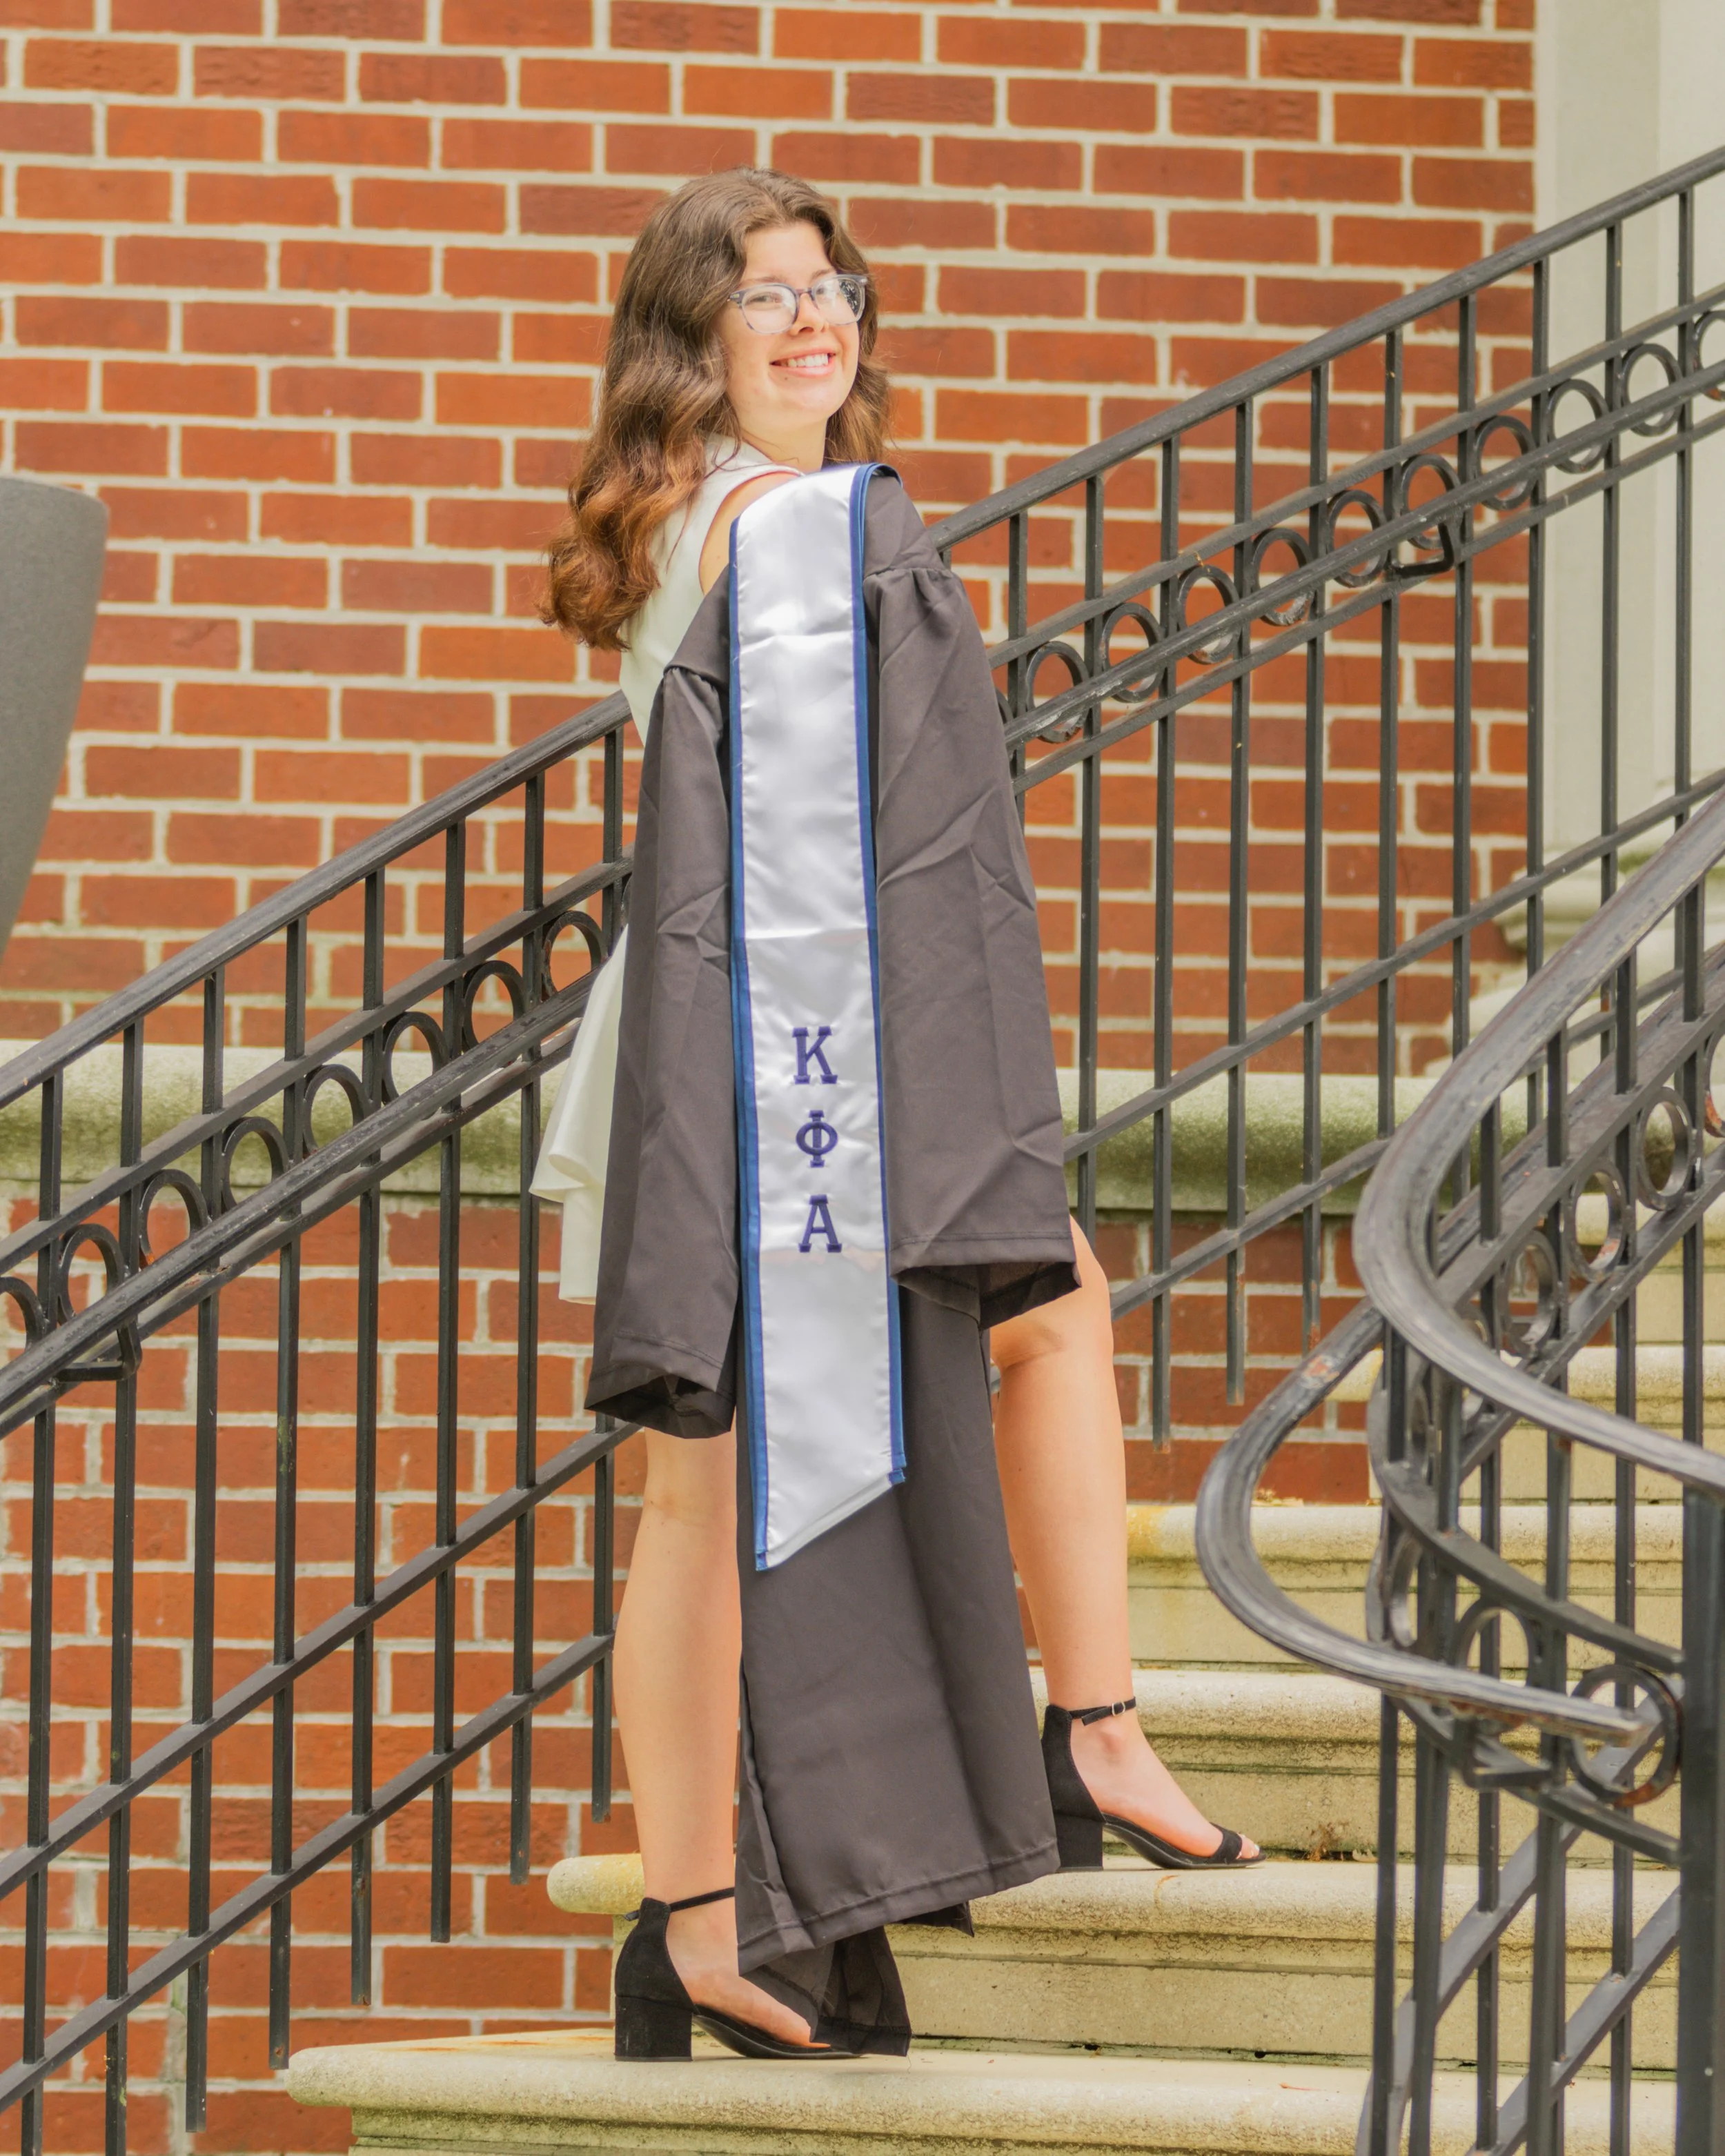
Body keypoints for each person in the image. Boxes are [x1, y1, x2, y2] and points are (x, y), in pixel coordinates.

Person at [535, 168, 1259, 2059]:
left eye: (826, 285)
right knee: (777, 1441)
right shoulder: (788, 532)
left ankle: (695, 1909)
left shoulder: (701, 526)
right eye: (754, 297)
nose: (806, 320)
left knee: (766, 1448)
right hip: (773, 1051)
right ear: (685, 352)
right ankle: (1063, 1738)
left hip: (727, 1035)